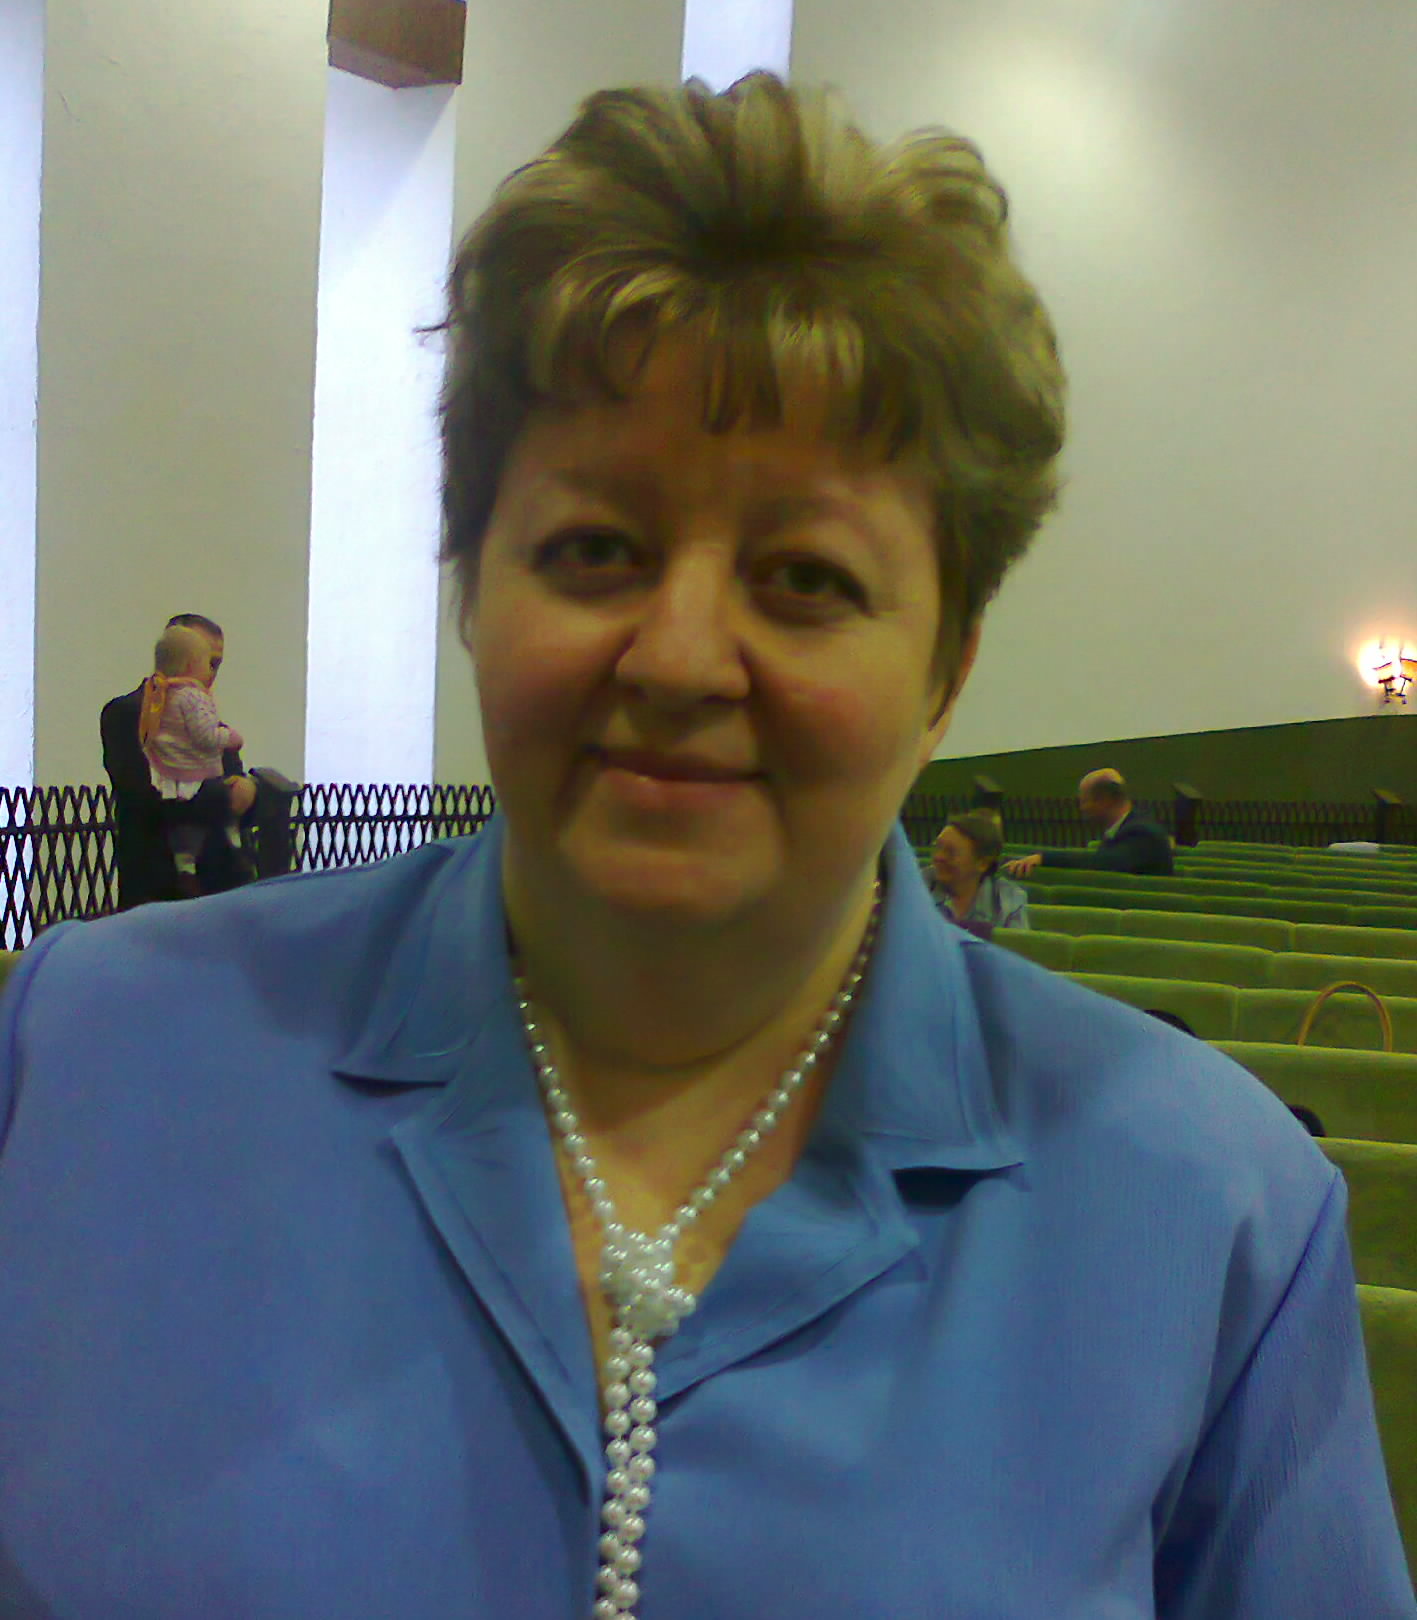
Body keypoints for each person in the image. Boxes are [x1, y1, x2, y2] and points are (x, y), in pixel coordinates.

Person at [0, 74, 1411, 1620]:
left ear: (944, 673)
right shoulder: (89, 1056)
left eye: (805, 577)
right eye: (595, 548)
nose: (677, 658)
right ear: (473, 591)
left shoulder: (1210, 1215)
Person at [100, 613, 257, 905]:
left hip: (219, 890)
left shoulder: (208, 721)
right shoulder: (128, 713)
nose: (209, 672)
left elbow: (235, 788)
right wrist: (224, 796)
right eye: (204, 660)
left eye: (216, 664)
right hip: (158, 887)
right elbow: (145, 795)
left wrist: (248, 791)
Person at [139, 625, 249, 891]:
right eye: (209, 663)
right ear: (191, 663)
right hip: (156, 872)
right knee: (218, 801)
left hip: (172, 784)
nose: (212, 673)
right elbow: (206, 737)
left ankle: (186, 862)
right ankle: (232, 840)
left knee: (188, 829)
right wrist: (231, 737)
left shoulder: (158, 701)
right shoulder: (192, 698)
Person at [1003, 767, 1175, 878]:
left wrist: (1044, 858)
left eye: (1085, 801)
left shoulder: (1142, 833)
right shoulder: (1129, 828)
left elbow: (1104, 863)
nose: (1082, 808)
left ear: (1105, 800)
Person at [928, 810, 1031, 938]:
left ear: (982, 863)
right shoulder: (918, 885)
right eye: (937, 847)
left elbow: (1015, 947)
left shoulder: (1008, 899)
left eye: (950, 852)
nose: (938, 857)